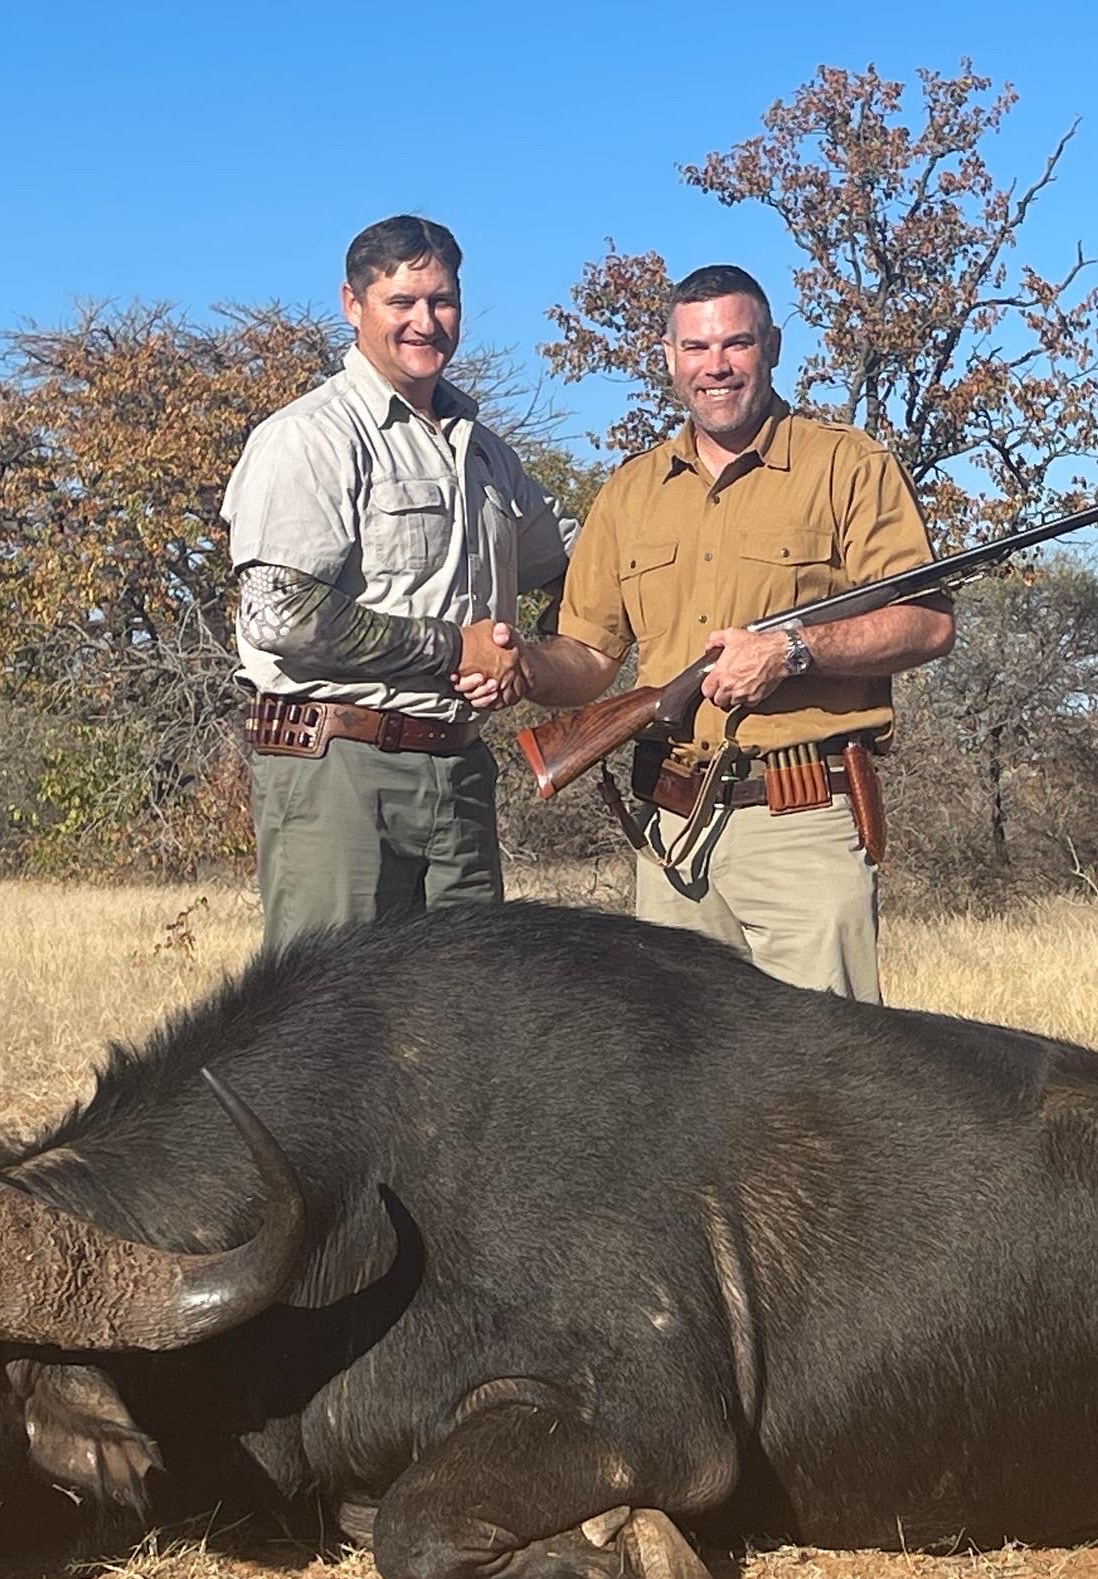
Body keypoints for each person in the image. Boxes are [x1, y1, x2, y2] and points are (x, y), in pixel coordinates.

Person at [516, 264, 955, 1002]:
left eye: (736, 344)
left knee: (825, 1079)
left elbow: (927, 620)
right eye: (695, 348)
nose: (715, 366)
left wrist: (793, 650)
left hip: (801, 815)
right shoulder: (628, 490)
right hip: (671, 832)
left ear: (772, 347)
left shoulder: (846, 464)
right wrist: (518, 668)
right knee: (683, 1085)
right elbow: (590, 654)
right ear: (668, 357)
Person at [222, 215, 577, 949]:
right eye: (402, 302)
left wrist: (535, 660)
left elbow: (576, 566)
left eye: (442, 301)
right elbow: (276, 615)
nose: (426, 322)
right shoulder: (310, 436)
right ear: (352, 305)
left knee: (466, 1025)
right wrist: (454, 650)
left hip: (460, 773)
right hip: (339, 772)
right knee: (335, 1030)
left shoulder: (487, 455)